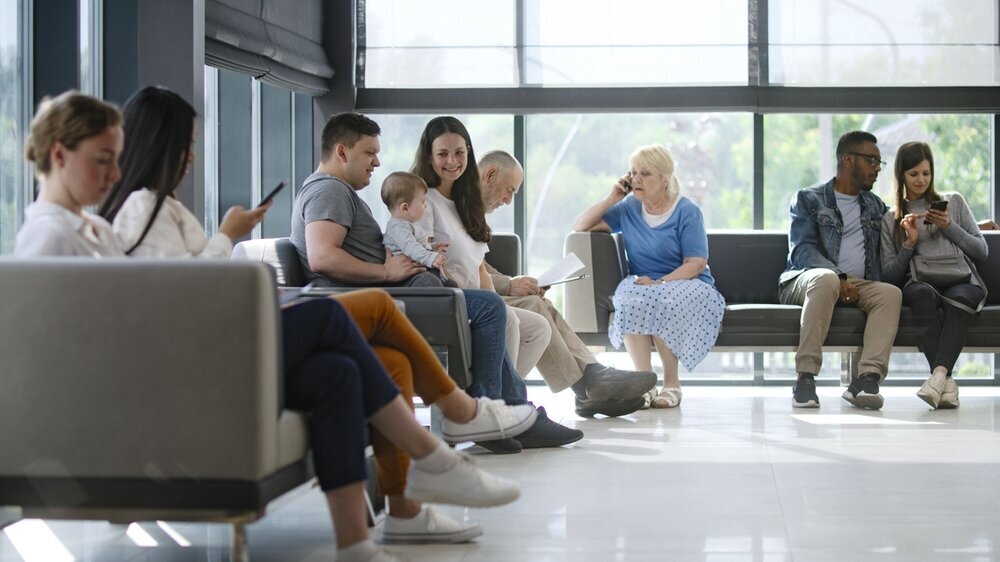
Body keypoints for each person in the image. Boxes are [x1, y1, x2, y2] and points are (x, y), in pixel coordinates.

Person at [17, 90, 526, 560]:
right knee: (351, 310)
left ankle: (360, 539)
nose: (113, 173)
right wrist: (226, 244)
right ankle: (450, 428)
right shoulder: (59, 235)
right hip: (187, 361)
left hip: (196, 344)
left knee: (346, 373)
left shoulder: (94, 228)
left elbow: (158, 300)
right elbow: (136, 321)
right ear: (60, 156)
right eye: (103, 160)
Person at [290, 112, 578, 454]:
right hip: (390, 297)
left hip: (396, 292)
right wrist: (388, 273)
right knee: (488, 307)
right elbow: (322, 257)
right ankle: (492, 410)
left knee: (493, 308)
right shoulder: (329, 191)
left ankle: (506, 410)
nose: (377, 162)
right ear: (341, 152)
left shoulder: (336, 192)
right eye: (369, 153)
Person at [412, 116, 582, 452]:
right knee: (511, 323)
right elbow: (421, 260)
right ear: (429, 156)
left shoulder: (464, 203)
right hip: (449, 302)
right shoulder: (424, 199)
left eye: (459, 153)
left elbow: (480, 267)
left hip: (476, 299)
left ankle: (500, 412)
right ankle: (511, 414)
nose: (452, 162)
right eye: (443, 154)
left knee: (535, 326)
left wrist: (497, 304)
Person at [477, 150, 657, 418]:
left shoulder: (470, 212)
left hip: (483, 289)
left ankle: (591, 383)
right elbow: (463, 270)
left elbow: (478, 265)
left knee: (539, 301)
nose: (508, 199)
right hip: (472, 295)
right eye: (509, 190)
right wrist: (508, 285)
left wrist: (515, 282)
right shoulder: (457, 210)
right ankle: (589, 389)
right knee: (532, 304)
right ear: (490, 174)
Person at [573, 144, 725, 409]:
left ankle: (672, 384)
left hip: (687, 282)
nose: (636, 179)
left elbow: (696, 264)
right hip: (644, 283)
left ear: (664, 180)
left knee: (663, 299)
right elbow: (580, 226)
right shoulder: (629, 208)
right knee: (629, 299)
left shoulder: (687, 211)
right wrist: (612, 198)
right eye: (632, 173)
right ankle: (645, 384)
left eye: (645, 173)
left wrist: (662, 281)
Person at [779, 130, 902, 410]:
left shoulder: (874, 205)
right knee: (825, 280)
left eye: (879, 163)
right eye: (872, 160)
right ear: (848, 159)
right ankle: (805, 377)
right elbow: (802, 251)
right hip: (806, 279)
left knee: (890, 294)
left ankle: (866, 380)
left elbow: (903, 223)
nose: (877, 169)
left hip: (856, 284)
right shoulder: (808, 199)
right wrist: (838, 275)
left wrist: (972, 226)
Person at [880, 142, 988, 409]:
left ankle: (938, 377)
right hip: (921, 283)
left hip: (960, 280)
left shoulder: (955, 202)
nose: (921, 180)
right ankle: (946, 382)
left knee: (961, 299)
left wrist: (949, 226)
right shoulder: (890, 218)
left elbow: (981, 251)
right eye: (913, 174)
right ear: (901, 175)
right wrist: (909, 243)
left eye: (926, 173)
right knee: (921, 295)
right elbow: (890, 277)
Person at [379, 171, 452, 285]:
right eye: (423, 201)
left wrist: (432, 247)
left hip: (417, 269)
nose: (426, 205)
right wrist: (430, 257)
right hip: (408, 275)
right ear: (405, 208)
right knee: (430, 283)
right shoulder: (397, 228)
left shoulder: (408, 225)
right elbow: (411, 247)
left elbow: (415, 244)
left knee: (451, 285)